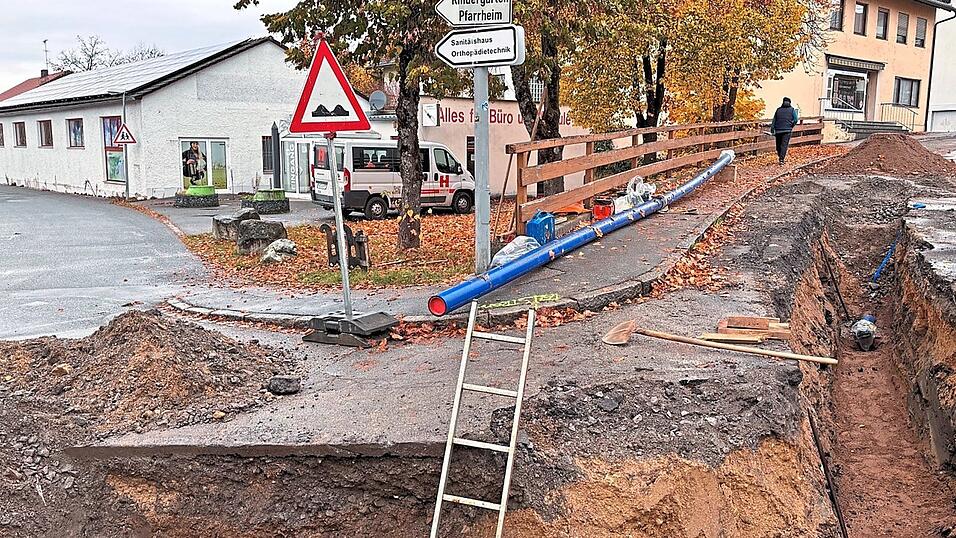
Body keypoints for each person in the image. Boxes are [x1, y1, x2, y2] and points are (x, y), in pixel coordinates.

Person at [770, 97, 799, 165]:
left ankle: (780, 156)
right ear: (790, 103)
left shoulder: (778, 110)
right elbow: (796, 119)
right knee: (784, 145)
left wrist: (772, 129)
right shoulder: (792, 110)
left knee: (778, 145)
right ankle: (781, 159)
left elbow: (774, 120)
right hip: (787, 130)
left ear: (783, 102)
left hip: (778, 130)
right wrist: (791, 125)